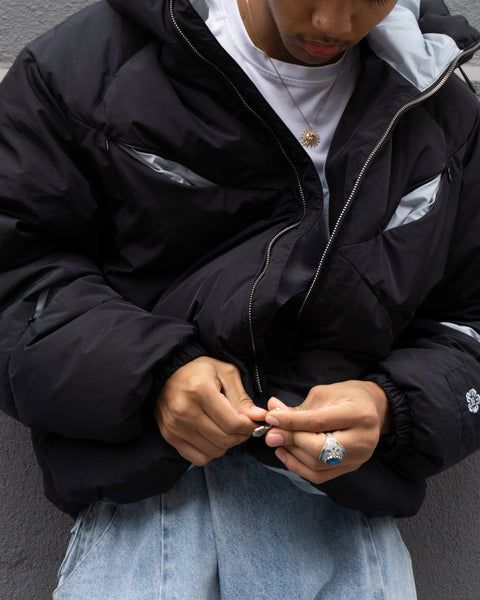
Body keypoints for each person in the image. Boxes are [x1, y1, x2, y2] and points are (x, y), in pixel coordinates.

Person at [0, 0, 479, 597]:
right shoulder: (84, 66)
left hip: (347, 528)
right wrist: (154, 374)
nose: (334, 24)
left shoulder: (441, 104)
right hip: (150, 522)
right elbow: (17, 273)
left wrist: (390, 408)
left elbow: (468, 319)